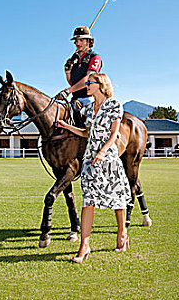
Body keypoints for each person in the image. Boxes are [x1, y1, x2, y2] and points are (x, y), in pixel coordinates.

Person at [55, 73, 131, 263]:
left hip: (108, 158)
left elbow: (114, 135)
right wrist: (66, 126)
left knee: (117, 199)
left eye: (89, 83)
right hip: (89, 160)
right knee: (87, 201)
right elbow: (85, 132)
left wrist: (103, 152)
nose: (86, 86)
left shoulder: (114, 106)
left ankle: (122, 233)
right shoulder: (88, 110)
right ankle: (84, 246)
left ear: (100, 84)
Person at [59, 26, 103, 107]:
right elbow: (72, 83)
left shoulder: (95, 57)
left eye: (81, 40)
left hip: (89, 99)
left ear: (88, 42)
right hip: (75, 99)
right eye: (76, 41)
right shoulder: (74, 59)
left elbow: (87, 79)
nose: (77, 43)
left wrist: (68, 91)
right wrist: (67, 72)